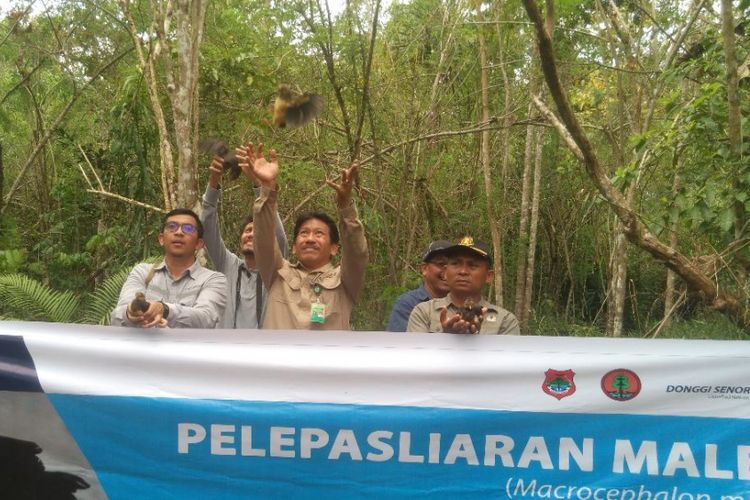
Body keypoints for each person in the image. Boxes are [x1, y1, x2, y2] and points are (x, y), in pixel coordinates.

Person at [240, 143, 369, 330]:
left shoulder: (346, 279)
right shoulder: (277, 273)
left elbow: (357, 253)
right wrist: (267, 188)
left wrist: (346, 207)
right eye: (304, 233)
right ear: (293, 247)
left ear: (334, 248)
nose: (310, 239)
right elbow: (263, 239)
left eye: (319, 234)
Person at [200, 155, 288, 328]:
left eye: (258, 231)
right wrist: (213, 183)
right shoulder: (228, 265)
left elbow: (278, 237)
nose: (251, 235)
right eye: (248, 230)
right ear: (240, 238)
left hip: (263, 352)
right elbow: (208, 230)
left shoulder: (275, 270)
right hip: (226, 350)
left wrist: (260, 186)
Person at [111, 208, 228, 328]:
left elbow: (206, 319)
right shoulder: (142, 272)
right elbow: (117, 316)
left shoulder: (214, 279)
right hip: (145, 346)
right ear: (161, 239)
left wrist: (165, 310)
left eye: (188, 228)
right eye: (172, 226)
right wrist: (130, 313)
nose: (178, 232)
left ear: (199, 243)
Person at [407, 236, 520, 335]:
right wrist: (447, 336)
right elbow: (417, 358)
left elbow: (505, 359)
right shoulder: (424, 313)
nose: (463, 271)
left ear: (489, 276)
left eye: (473, 265)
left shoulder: (505, 321)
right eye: (455, 264)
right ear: (446, 272)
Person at [386, 240, 451, 332]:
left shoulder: (462, 303)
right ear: (424, 269)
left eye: (453, 265)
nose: (447, 270)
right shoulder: (407, 304)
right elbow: (399, 344)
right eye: (441, 264)